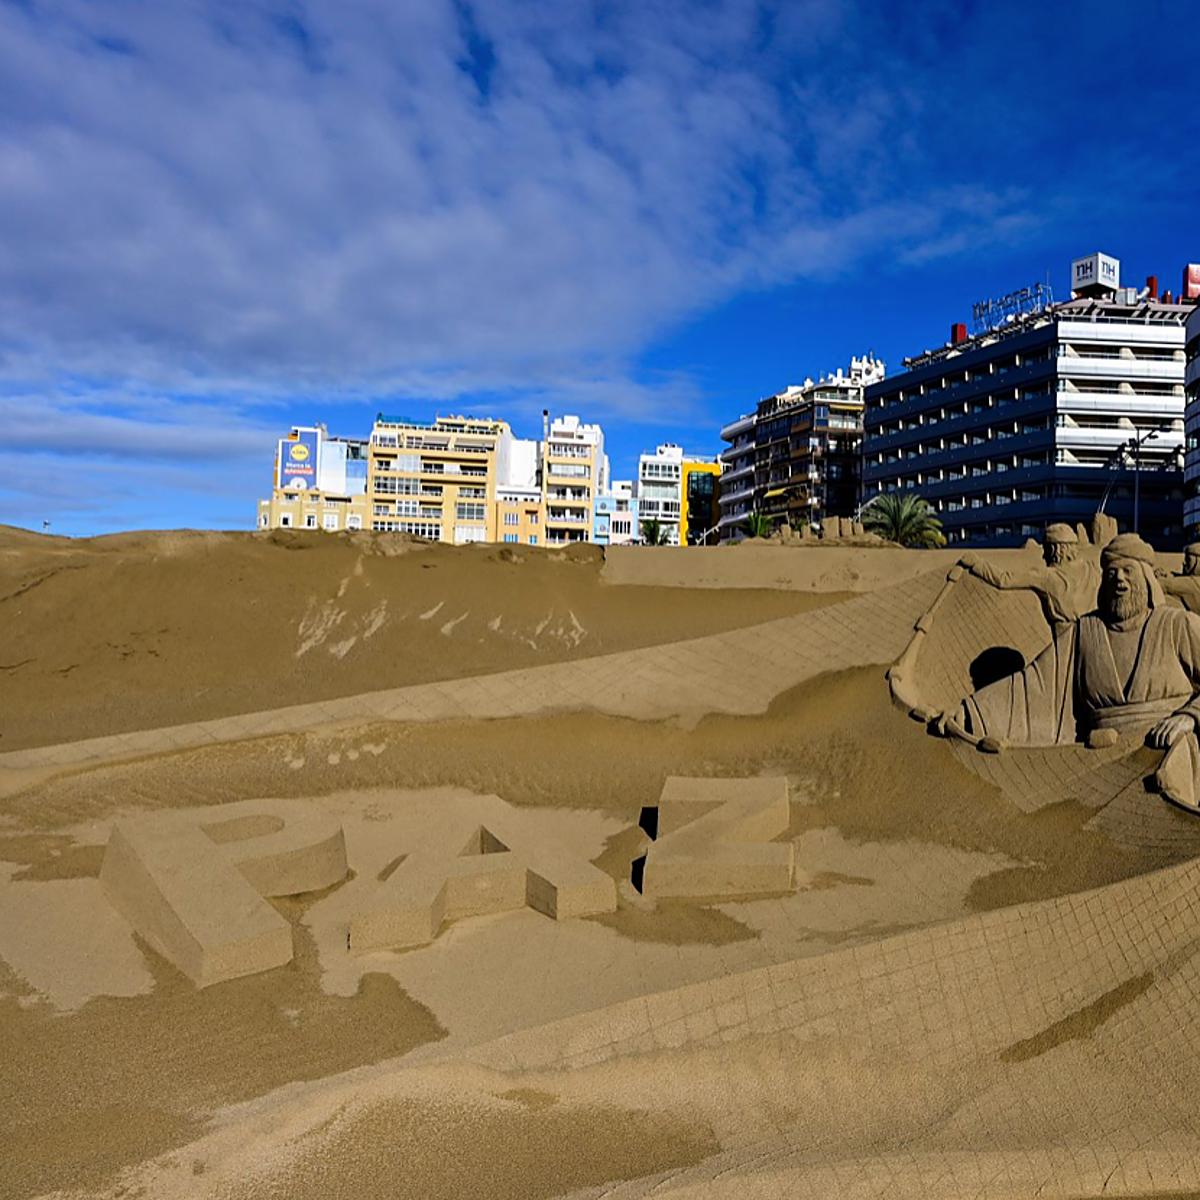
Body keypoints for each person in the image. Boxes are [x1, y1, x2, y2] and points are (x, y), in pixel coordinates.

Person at [943, 535, 1200, 809]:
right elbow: (1035, 684)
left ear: (1146, 577)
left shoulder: (1177, 624)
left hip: (1166, 759)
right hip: (1099, 768)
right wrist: (971, 711)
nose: (1120, 580)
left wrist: (1189, 717)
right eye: (1112, 573)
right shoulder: (1085, 631)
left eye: (1128, 571)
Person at [958, 523, 1099, 634]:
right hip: (1094, 633)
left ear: (1056, 550)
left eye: (1046, 550)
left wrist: (977, 564)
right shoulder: (1092, 570)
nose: (1043, 556)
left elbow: (1004, 580)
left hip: (1065, 640)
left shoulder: (1047, 576)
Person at [1159, 542, 1200, 613]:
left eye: (1188, 560)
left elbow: (1163, 585)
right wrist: (1170, 575)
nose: (1184, 563)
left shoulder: (1191, 583)